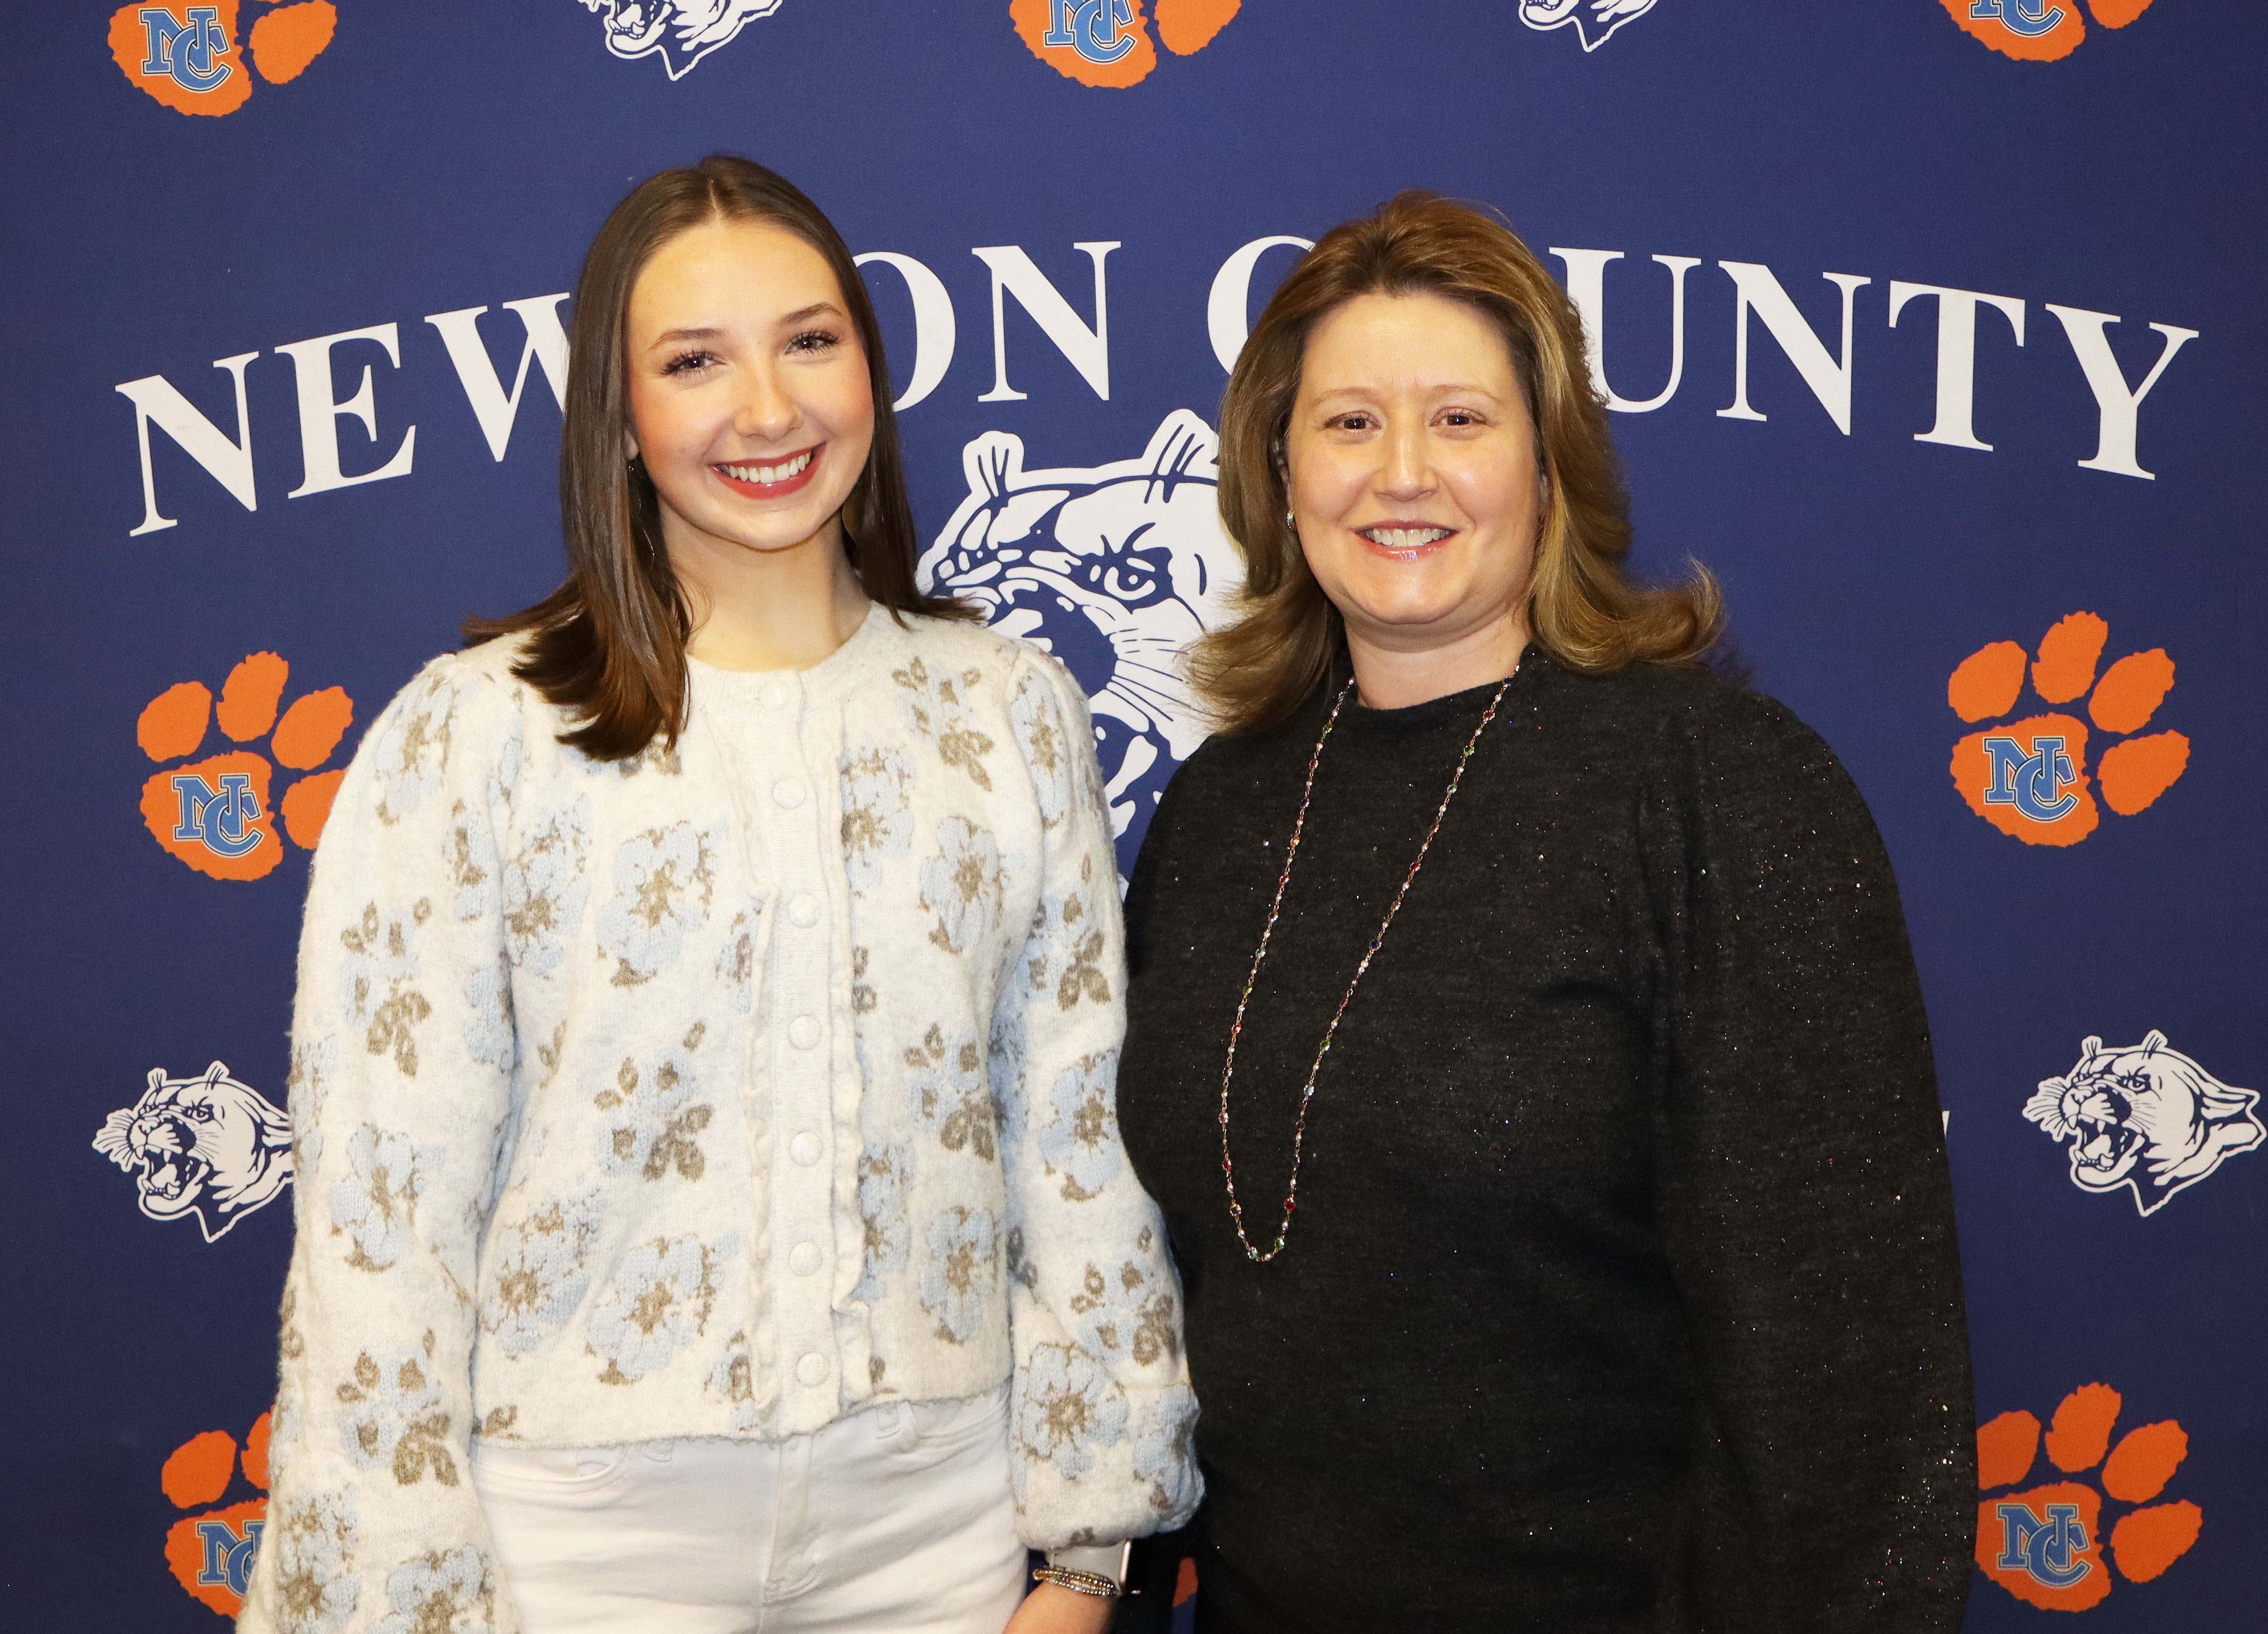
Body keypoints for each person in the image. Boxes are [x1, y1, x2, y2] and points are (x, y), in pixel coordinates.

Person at [237, 156, 1197, 1634]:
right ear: (620, 417)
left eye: (809, 341)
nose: (767, 409)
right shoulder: (476, 736)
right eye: (695, 361)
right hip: (578, 1546)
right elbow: (384, 1213)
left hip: (936, 1531)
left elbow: (1073, 1140)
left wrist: (1090, 1550)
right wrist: (398, 1590)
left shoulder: (1008, 711)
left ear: (869, 369)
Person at [1113, 192, 1975, 1631]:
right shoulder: (1219, 808)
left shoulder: (1714, 785)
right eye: (1347, 423)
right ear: (1276, 468)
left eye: (1459, 420)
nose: (1401, 474)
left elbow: (1846, 1382)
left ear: (1547, 461)